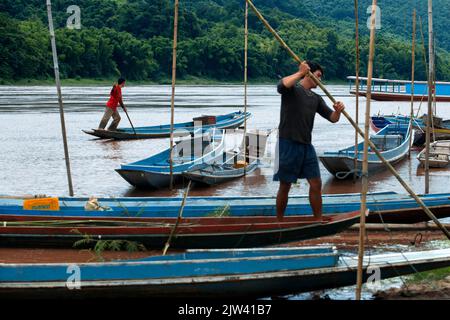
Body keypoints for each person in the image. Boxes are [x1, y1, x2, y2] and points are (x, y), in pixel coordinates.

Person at [274, 61, 345, 221]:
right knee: (285, 185)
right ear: (309, 73)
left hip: (306, 145)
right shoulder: (293, 89)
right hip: (287, 143)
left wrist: (338, 111)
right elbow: (281, 85)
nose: (320, 80)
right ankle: (279, 222)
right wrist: (300, 72)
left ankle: (318, 220)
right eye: (318, 76)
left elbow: (332, 118)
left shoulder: (316, 98)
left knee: (316, 184)